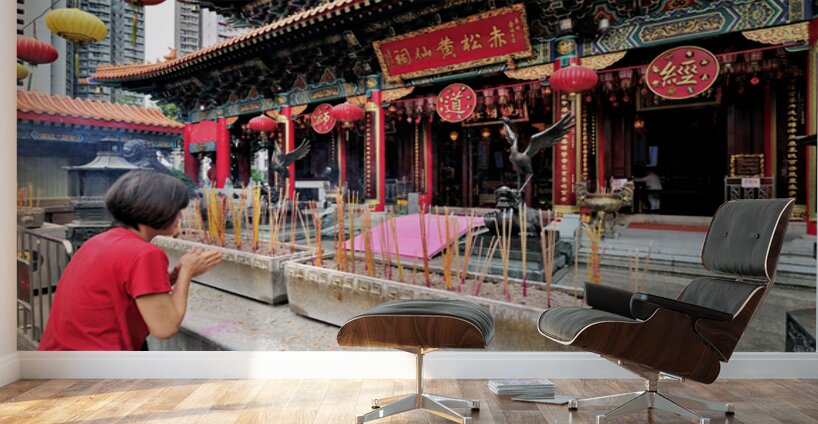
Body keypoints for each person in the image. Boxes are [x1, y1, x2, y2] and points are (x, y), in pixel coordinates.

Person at [38, 170, 222, 351]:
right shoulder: (145, 253)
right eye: (176, 210)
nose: (180, 217)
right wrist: (187, 273)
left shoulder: (98, 241)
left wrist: (174, 276)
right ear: (155, 209)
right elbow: (165, 327)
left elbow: (124, 288)